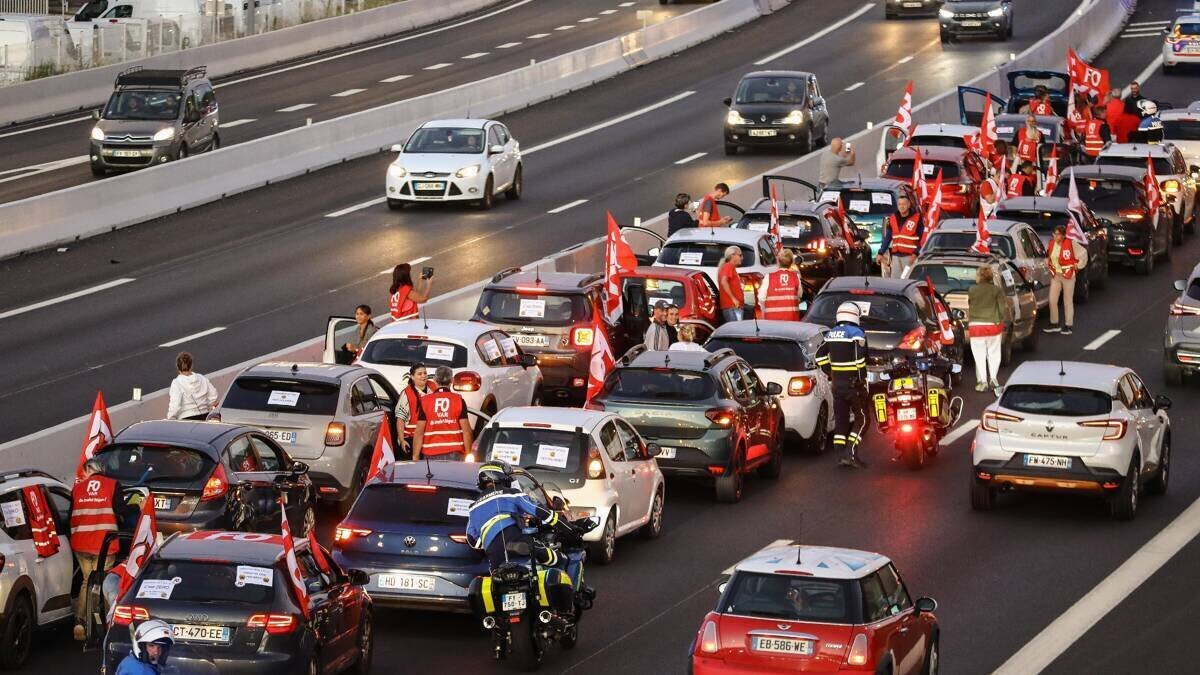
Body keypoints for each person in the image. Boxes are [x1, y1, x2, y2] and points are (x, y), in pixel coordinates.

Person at [466, 461, 575, 618]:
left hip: (495, 557)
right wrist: (567, 527)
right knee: (560, 559)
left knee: (498, 586)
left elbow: (473, 541)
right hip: (521, 544)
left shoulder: (473, 508)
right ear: (500, 476)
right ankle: (565, 610)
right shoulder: (512, 493)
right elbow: (540, 511)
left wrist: (490, 534)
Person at [70, 459, 136, 640]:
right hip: (103, 544)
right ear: (102, 469)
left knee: (87, 581)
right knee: (106, 581)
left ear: (90, 470)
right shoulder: (113, 485)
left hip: (81, 543)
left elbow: (70, 516)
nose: (83, 475)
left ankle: (80, 622)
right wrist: (138, 505)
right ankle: (108, 624)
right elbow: (121, 510)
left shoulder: (77, 488)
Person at [814, 303, 869, 469]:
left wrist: (829, 371)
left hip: (837, 385)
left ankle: (841, 453)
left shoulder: (830, 334)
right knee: (863, 420)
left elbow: (819, 356)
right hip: (853, 385)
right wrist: (861, 379)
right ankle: (851, 452)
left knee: (841, 420)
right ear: (855, 316)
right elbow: (860, 360)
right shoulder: (857, 334)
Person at [413, 366, 474, 461]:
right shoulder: (458, 400)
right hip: (455, 453)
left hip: (430, 454)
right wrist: (468, 453)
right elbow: (467, 431)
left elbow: (419, 433)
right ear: (452, 380)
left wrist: (415, 457)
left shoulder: (425, 401)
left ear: (434, 380)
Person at [967, 266, 1011, 392]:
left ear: (980, 276)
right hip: (993, 326)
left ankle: (982, 382)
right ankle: (993, 378)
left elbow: (970, 304)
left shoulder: (972, 290)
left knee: (979, 355)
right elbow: (1002, 308)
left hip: (976, 327)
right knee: (994, 353)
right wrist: (1000, 320)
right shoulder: (996, 290)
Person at [1044, 225, 1087, 336]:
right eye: (1054, 234)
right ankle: (1054, 323)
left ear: (1063, 235)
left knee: (1067, 300)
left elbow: (1083, 253)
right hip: (1056, 276)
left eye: (1057, 234)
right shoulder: (1052, 243)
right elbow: (1049, 255)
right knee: (1052, 300)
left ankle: (1068, 325)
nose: (1055, 236)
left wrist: (1078, 266)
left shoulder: (1071, 243)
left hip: (1068, 275)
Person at [876, 194, 922, 279]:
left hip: (910, 258)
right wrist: (880, 252)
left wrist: (915, 254)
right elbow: (888, 237)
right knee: (895, 282)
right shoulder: (893, 219)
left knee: (908, 280)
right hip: (896, 257)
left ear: (909, 205)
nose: (901, 207)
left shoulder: (917, 218)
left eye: (904, 204)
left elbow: (922, 239)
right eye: (899, 204)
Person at [166, 352, 218, 421]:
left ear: (177, 366)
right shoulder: (202, 378)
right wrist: (207, 407)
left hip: (186, 419)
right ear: (191, 365)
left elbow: (175, 405)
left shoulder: (177, 383)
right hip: (205, 416)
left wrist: (170, 418)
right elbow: (213, 395)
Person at [396, 363, 433, 456]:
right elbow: (400, 419)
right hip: (412, 438)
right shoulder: (406, 394)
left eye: (425, 373)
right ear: (412, 377)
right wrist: (402, 440)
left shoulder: (433, 387)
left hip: (431, 437)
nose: (423, 376)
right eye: (420, 374)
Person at [757, 249, 804, 320]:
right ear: (791, 262)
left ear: (778, 261)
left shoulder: (769, 277)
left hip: (772, 321)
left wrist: (765, 309)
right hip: (792, 320)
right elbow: (799, 295)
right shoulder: (795, 277)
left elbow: (761, 297)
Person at [717, 246, 745, 322]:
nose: (742, 258)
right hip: (732, 307)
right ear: (732, 255)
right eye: (740, 255)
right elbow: (724, 281)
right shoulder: (728, 266)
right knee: (737, 331)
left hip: (734, 307)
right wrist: (733, 299)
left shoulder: (730, 267)